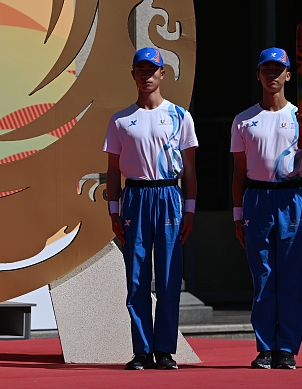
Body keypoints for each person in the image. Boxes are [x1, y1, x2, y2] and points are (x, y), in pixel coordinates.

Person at [104, 47, 198, 370]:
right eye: (140, 69)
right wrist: (113, 211)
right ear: (133, 75)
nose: (146, 75)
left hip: (169, 195)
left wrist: (191, 209)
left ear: (162, 73)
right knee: (137, 276)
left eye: (152, 69)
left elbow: (191, 169)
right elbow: (113, 170)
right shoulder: (120, 121)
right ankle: (141, 349)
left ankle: (165, 350)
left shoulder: (180, 117)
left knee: (170, 275)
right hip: (136, 198)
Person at [231, 48, 302, 370]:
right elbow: (239, 172)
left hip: (291, 198)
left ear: (288, 75)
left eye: (278, 70)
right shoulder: (244, 120)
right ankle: (265, 347)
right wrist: (238, 215)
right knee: (264, 276)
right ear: (258, 75)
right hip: (257, 198)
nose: (272, 75)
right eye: (266, 70)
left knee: (292, 277)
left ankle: (288, 349)